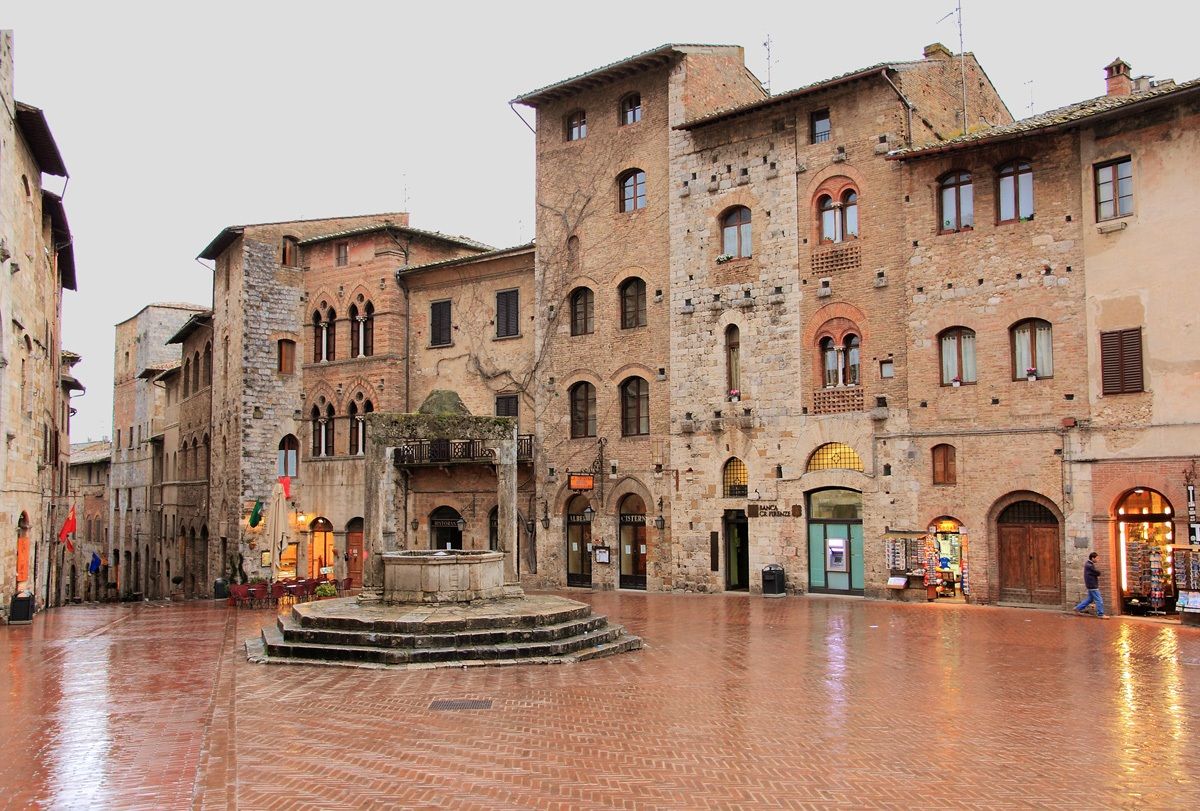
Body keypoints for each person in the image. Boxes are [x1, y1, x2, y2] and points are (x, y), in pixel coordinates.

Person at [1074, 551, 1108, 618]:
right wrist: (1099, 572)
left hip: (1090, 585)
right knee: (1099, 599)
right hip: (1092, 585)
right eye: (1097, 558)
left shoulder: (1088, 564)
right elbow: (1097, 572)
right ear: (1093, 558)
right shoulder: (1089, 566)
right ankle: (1100, 614)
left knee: (1090, 599)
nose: (1098, 560)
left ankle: (1077, 608)